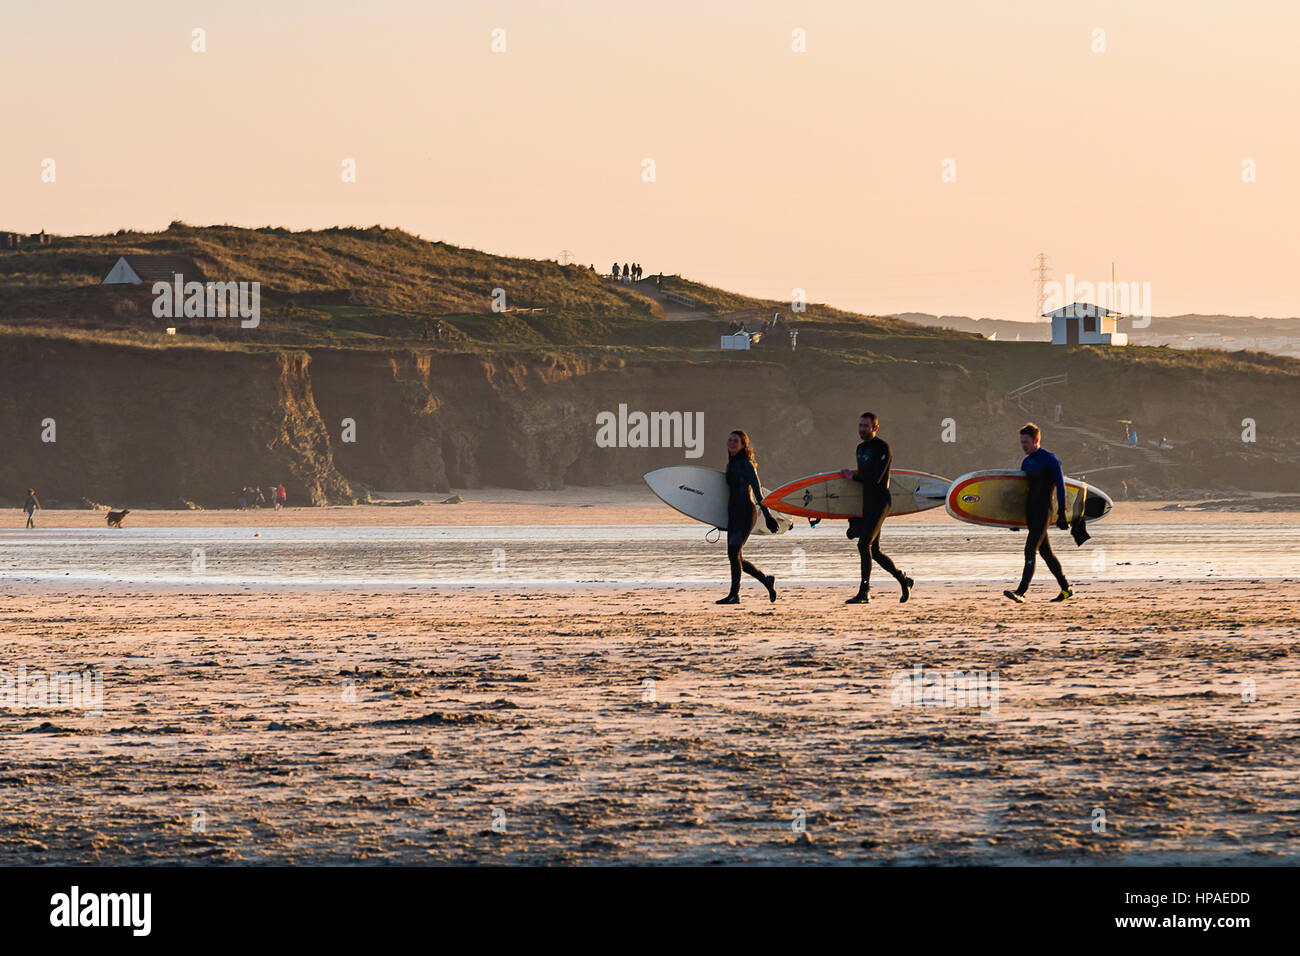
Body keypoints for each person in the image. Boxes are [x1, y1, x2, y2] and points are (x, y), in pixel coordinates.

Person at [839, 413, 913, 604]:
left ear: (875, 428)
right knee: (876, 551)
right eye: (860, 425)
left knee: (864, 545)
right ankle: (903, 580)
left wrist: (852, 477)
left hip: (881, 502)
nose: (862, 429)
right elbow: (864, 479)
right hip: (867, 502)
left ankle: (864, 592)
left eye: (866, 426)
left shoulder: (883, 448)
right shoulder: (860, 448)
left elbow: (875, 479)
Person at [1004, 423, 1073, 603]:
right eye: (1021, 442)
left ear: (1036, 440)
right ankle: (1066, 588)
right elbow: (1021, 492)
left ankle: (1021, 591)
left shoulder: (1050, 459)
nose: (1023, 446)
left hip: (1044, 510)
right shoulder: (1026, 463)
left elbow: (1061, 486)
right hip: (1030, 512)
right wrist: (1014, 520)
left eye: (1026, 442)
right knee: (1046, 553)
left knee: (1030, 550)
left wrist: (1062, 514)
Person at [716, 430, 779, 605]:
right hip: (733, 512)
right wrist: (719, 520)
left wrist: (767, 515)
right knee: (735, 556)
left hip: (745, 512)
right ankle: (766, 580)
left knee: (734, 552)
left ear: (743, 445)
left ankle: (734, 595)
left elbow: (758, 492)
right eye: (729, 440)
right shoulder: (730, 465)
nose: (731, 443)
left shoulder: (747, 464)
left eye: (736, 441)